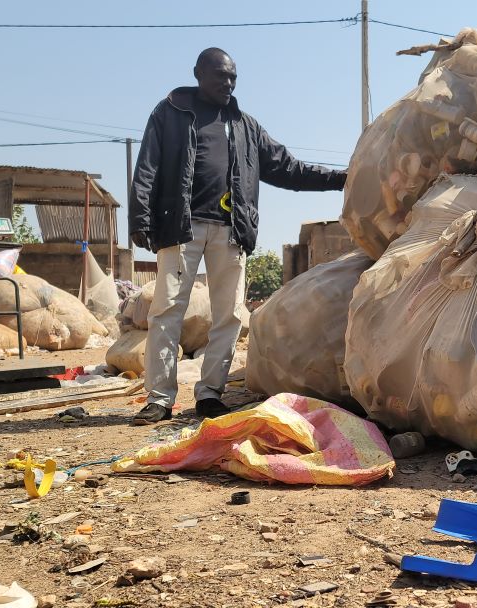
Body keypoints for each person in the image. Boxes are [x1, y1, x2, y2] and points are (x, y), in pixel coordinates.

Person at [128, 47, 346, 425]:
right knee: (167, 312)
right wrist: (140, 218)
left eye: (233, 77)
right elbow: (147, 165)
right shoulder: (171, 113)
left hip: (232, 230)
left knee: (228, 316)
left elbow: (287, 168)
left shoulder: (245, 126)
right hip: (182, 227)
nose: (227, 83)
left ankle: (210, 394)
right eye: (220, 76)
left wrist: (341, 178)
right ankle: (160, 399)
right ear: (198, 73)